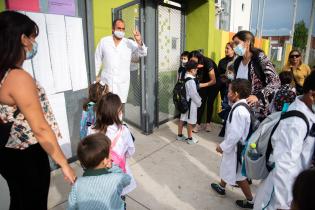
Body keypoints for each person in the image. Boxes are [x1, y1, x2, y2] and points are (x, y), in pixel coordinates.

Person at [0, 11, 76, 210]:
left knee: (18, 198)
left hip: (7, 153)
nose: (34, 43)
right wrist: (65, 165)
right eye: (33, 37)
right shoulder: (17, 77)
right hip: (26, 155)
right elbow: (40, 128)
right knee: (32, 202)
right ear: (22, 39)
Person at [254, 71, 315, 210]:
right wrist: (282, 204)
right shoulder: (295, 122)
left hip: (294, 190)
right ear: (312, 95)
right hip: (280, 195)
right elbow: (284, 166)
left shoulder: (308, 112)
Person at [211, 79, 254, 209]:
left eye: (229, 91)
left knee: (239, 176)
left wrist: (222, 146)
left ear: (236, 94)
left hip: (236, 149)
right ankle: (222, 186)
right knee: (228, 167)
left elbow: (235, 134)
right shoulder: (242, 106)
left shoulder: (239, 111)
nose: (227, 93)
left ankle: (250, 201)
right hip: (235, 149)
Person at [87, 93, 136, 196]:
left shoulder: (91, 130)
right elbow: (131, 150)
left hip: (98, 174)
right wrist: (121, 156)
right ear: (117, 113)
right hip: (118, 174)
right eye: (120, 110)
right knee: (119, 200)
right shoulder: (124, 131)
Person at [68, 133, 131, 210]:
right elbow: (127, 179)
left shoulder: (77, 184)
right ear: (105, 160)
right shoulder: (116, 178)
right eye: (109, 153)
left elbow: (71, 207)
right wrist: (111, 166)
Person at [95, 19, 147, 103]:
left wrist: (139, 41)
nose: (121, 31)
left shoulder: (129, 43)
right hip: (106, 84)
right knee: (105, 110)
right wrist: (94, 78)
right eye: (119, 28)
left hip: (122, 85)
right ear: (113, 29)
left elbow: (143, 53)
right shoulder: (104, 42)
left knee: (119, 112)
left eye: (123, 29)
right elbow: (97, 60)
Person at [232, 30, 280, 121]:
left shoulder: (259, 58)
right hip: (240, 109)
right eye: (233, 44)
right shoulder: (237, 62)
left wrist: (258, 96)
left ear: (247, 42)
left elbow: (276, 81)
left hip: (257, 111)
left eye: (237, 43)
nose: (234, 47)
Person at [190, 50, 220, 133]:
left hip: (213, 85)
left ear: (198, 58)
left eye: (193, 60)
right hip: (203, 84)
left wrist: (200, 85)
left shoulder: (208, 62)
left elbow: (213, 80)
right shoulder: (194, 63)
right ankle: (198, 124)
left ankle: (208, 124)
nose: (192, 62)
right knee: (201, 103)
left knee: (210, 103)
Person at [177, 60, 202, 144]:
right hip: (191, 104)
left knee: (182, 118)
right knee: (190, 121)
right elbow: (193, 94)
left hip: (184, 102)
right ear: (192, 70)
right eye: (196, 69)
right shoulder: (191, 81)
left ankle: (179, 135)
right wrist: (199, 102)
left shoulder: (185, 77)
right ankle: (190, 139)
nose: (197, 70)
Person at [217, 42, 236, 137]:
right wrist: (224, 78)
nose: (225, 50)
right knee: (225, 107)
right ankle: (225, 128)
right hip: (225, 89)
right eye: (225, 48)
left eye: (227, 48)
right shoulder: (223, 62)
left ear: (233, 50)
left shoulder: (237, 61)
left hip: (234, 91)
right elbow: (219, 75)